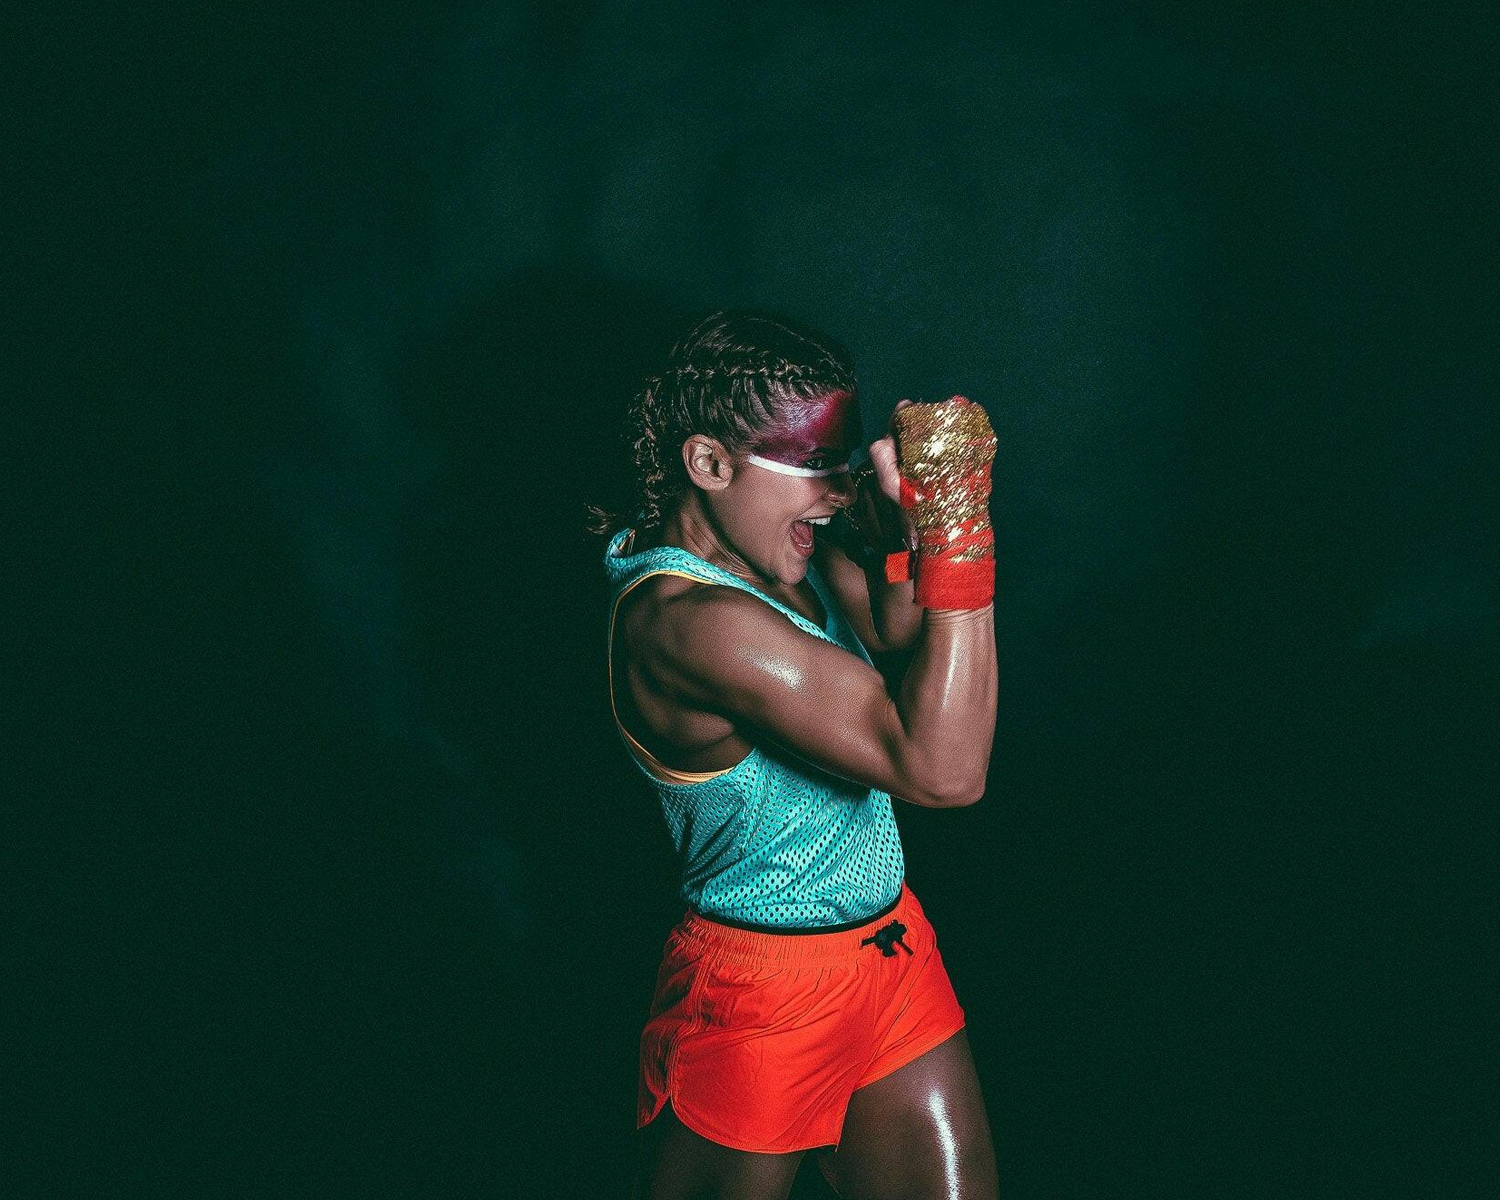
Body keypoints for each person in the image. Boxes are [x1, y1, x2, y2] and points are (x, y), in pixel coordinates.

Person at [588, 309, 1000, 1200]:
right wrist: (960, 533)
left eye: (844, 464)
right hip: (762, 995)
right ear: (709, 463)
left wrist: (906, 536)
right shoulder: (691, 624)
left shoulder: (778, 551)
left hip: (891, 957)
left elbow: (891, 626)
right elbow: (944, 770)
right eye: (815, 465)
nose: (840, 490)